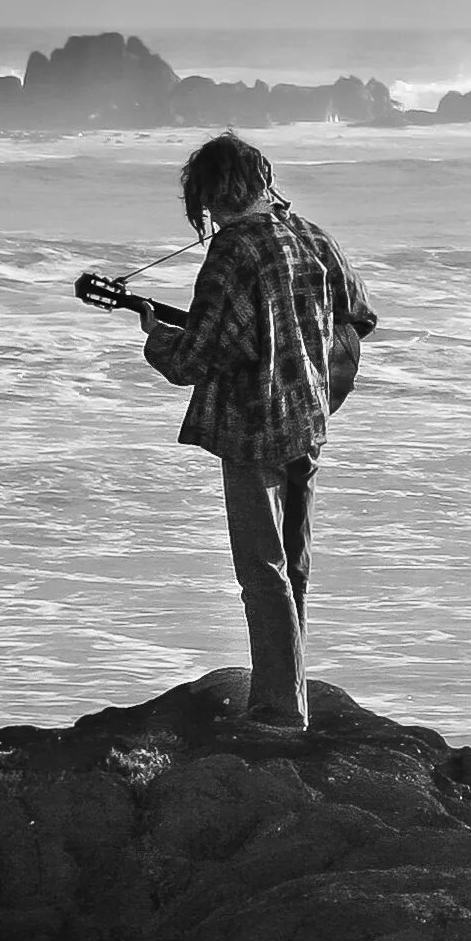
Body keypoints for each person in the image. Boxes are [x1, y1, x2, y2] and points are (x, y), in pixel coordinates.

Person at [137, 132, 377, 731]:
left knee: (261, 569)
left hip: (254, 429)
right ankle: (286, 694)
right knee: (292, 565)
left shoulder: (233, 252)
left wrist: (155, 336)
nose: (207, 215)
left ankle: (275, 709)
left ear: (214, 192)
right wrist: (318, 363)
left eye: (206, 201)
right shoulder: (312, 235)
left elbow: (195, 359)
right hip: (311, 419)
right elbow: (359, 317)